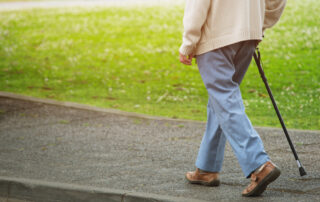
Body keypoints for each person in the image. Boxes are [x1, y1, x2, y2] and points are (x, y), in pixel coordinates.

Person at [179, 0, 287, 197]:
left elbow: (198, 4)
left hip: (217, 37)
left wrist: (188, 42)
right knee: (220, 101)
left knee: (224, 98)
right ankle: (206, 169)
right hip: (248, 36)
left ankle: (259, 164)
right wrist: (257, 24)